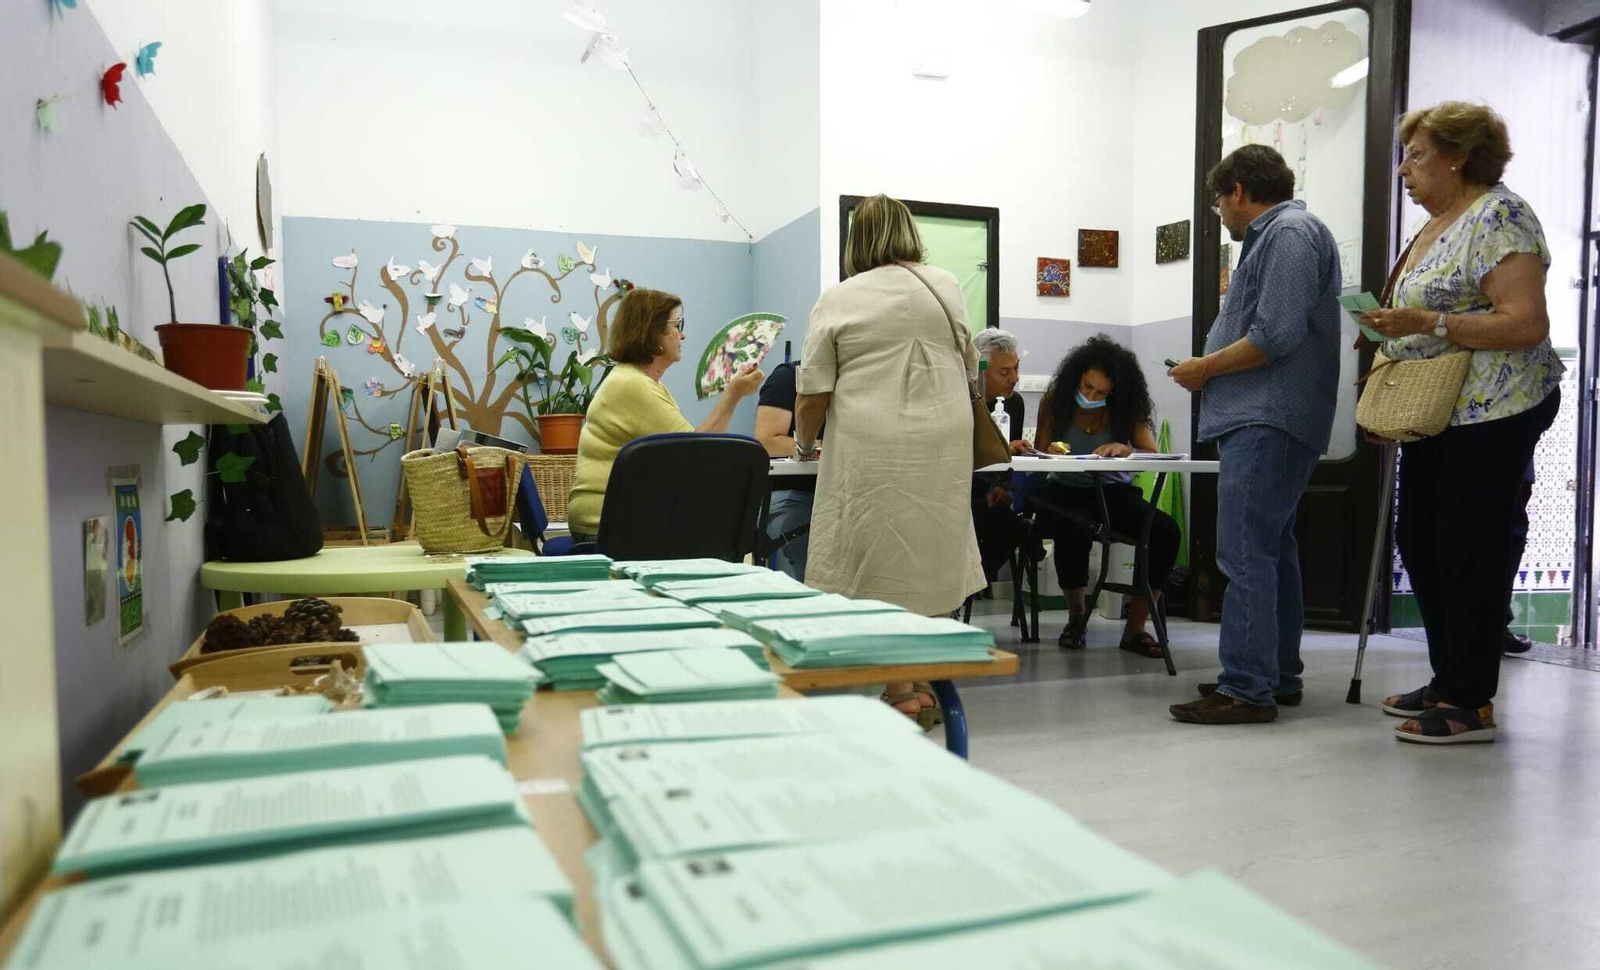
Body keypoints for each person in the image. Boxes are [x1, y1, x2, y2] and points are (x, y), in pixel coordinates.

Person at [1361, 102, 1562, 744]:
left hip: (1495, 411)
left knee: (1470, 549)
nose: (1403, 171)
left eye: (1416, 156)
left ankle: (1471, 700)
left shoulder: (1501, 216)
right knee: (1422, 540)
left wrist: (1428, 323)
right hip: (1437, 411)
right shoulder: (1435, 225)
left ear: (1457, 156)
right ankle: (1449, 677)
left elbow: (1526, 322)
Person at [793, 193, 985, 728]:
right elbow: (971, 363)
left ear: (857, 241)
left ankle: (900, 691)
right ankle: (924, 679)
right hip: (946, 435)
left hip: (874, 440)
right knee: (932, 552)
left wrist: (805, 447)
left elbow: (812, 393)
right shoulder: (946, 284)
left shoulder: (839, 298)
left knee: (879, 561)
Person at [1166, 144, 1340, 725]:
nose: (1220, 213)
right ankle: (1274, 675)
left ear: (1237, 190)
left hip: (1265, 417)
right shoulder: (1284, 235)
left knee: (1243, 553)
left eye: (1219, 201)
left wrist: (1203, 368)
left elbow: (1275, 335)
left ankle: (1245, 688)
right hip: (1271, 418)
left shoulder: (1288, 233)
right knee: (1270, 552)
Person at [565, 288, 763, 542]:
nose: (682, 334)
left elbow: (693, 450)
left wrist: (733, 394)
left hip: (615, 517)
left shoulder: (639, 382)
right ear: (652, 331)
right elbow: (698, 454)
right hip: (607, 524)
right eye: (676, 324)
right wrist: (732, 395)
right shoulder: (633, 385)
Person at [1033, 336, 1179, 658]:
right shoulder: (1056, 400)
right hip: (1066, 488)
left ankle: (1136, 628)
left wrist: (1128, 449)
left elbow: (1151, 454)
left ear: (1115, 390)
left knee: (1165, 532)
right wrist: (1051, 449)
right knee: (1072, 526)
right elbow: (1041, 452)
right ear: (1076, 377)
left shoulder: (1125, 408)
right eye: (1086, 387)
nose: (1091, 396)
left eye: (1101, 393)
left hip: (1113, 490)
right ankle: (1077, 617)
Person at [971, 328, 1034, 585]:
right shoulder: (962, 400)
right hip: (960, 493)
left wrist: (1006, 488)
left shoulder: (1014, 404)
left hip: (992, 493)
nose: (1014, 378)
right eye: (1005, 372)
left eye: (1016, 369)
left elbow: (1009, 460)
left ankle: (970, 589)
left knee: (1016, 529)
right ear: (980, 369)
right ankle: (959, 593)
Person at [754, 359, 818, 580]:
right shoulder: (788, 377)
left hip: (847, 492)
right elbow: (767, 442)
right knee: (813, 558)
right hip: (792, 493)